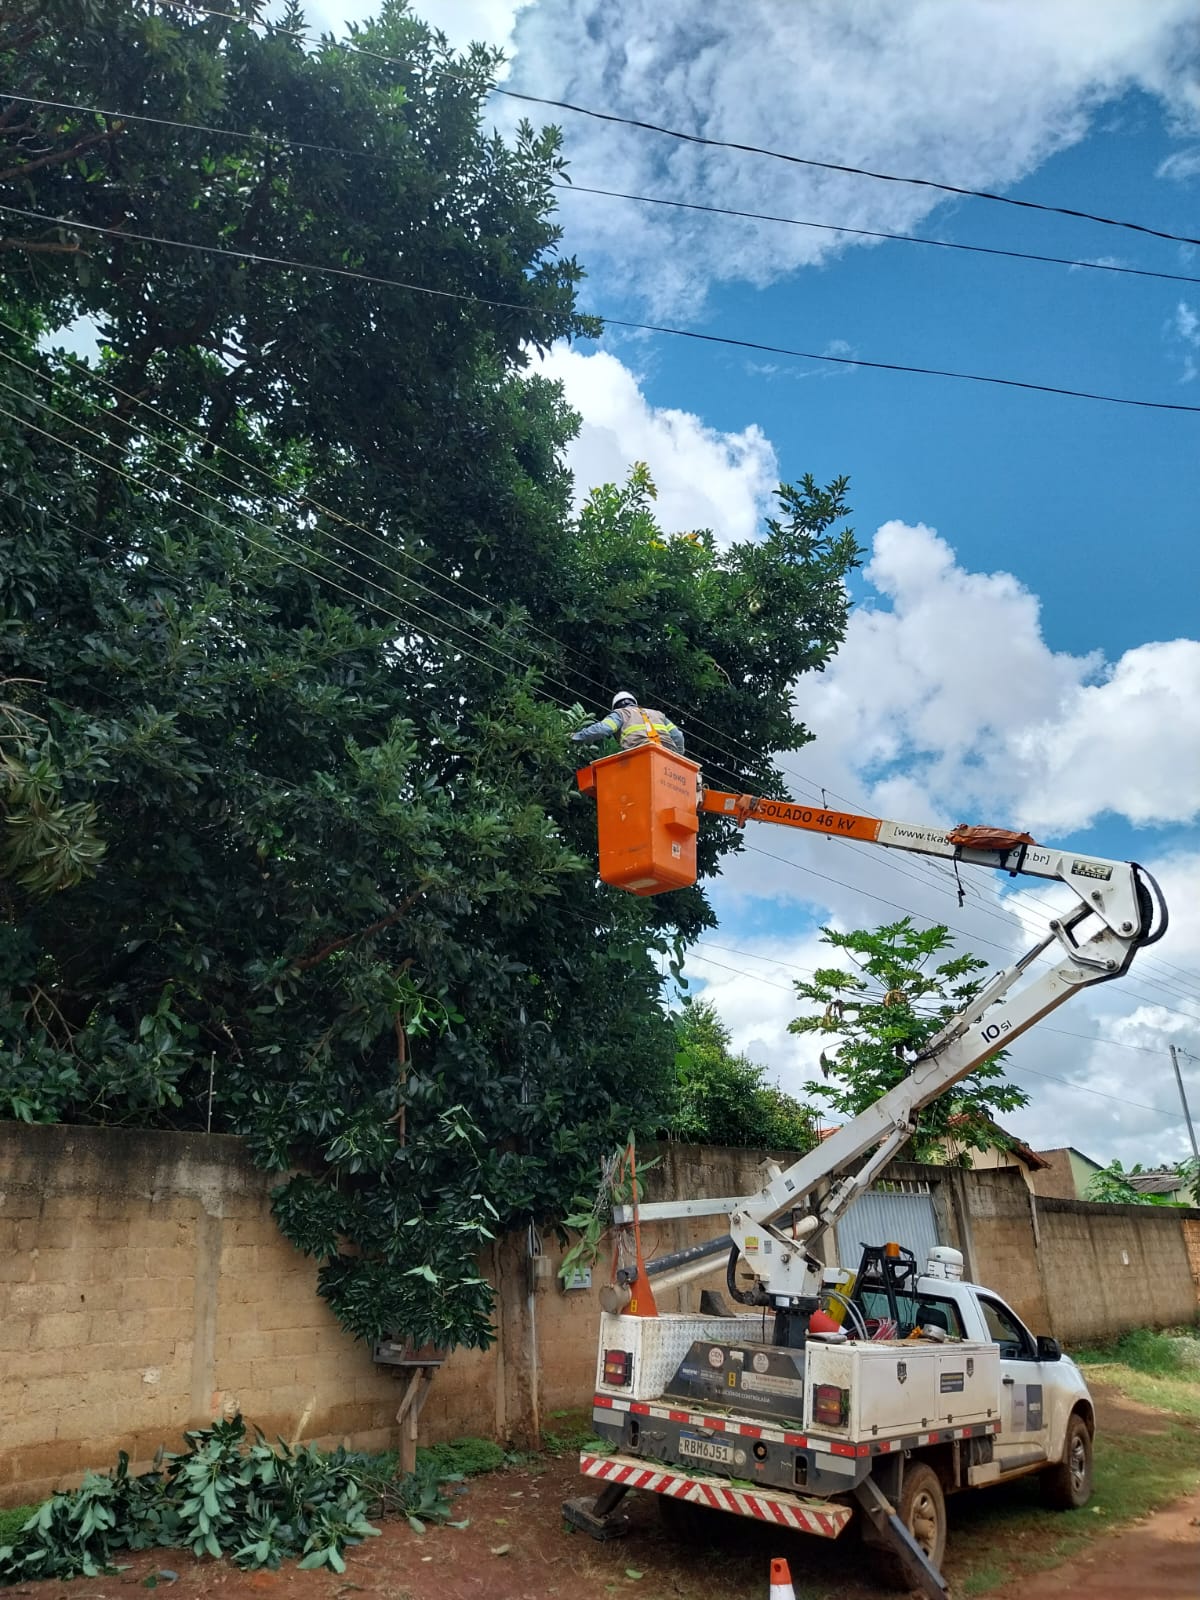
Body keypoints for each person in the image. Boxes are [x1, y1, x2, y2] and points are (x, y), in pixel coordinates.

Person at [570, 691, 685, 754]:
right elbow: (678, 736)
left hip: (639, 753)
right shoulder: (658, 714)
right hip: (668, 754)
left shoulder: (620, 713)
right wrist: (678, 757)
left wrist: (576, 737)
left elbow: (603, 729)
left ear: (616, 707)